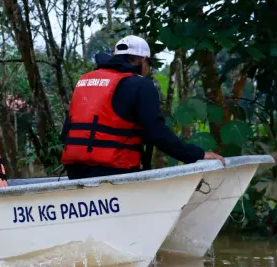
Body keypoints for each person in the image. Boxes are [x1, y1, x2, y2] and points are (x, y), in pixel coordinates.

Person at [62, 35, 226, 180]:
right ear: (141, 60)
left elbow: (66, 133)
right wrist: (197, 155)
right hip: (113, 172)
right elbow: (158, 133)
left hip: (75, 172)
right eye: (149, 63)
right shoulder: (140, 84)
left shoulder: (85, 81)